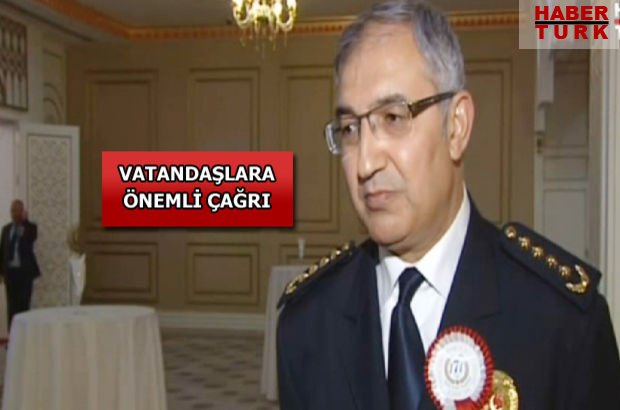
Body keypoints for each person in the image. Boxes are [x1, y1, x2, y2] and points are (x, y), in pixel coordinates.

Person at [276, 1, 620, 409]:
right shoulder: (307, 322)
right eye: (350, 129)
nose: (365, 163)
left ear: (456, 127)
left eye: (393, 118)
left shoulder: (563, 322)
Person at [0, 199, 40, 330]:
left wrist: (25, 222)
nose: (14, 213)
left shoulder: (30, 228)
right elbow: (2, 251)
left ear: (22, 212)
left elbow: (31, 239)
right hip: (10, 273)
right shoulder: (6, 229)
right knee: (11, 306)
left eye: (17, 210)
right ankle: (12, 333)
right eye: (12, 211)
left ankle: (24, 333)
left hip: (24, 274)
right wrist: (1, 273)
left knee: (23, 305)